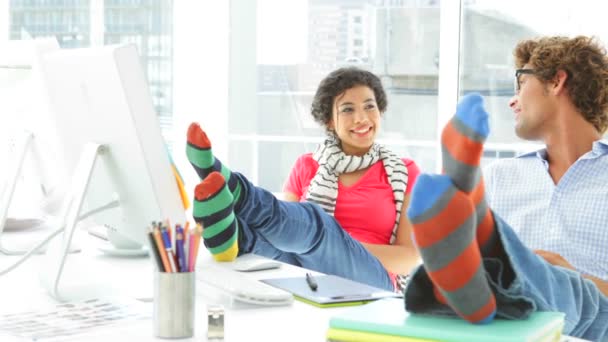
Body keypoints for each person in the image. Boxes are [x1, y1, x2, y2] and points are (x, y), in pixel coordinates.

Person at [402, 36, 607, 341]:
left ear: (556, 81)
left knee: (562, 284)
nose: (512, 101)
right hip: (508, 326)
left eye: (520, 84)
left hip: (591, 324)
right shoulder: (500, 175)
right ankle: (480, 265)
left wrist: (569, 275)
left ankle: (484, 243)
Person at [185, 67, 421, 291]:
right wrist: (322, 252)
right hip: (310, 276)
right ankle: (233, 238)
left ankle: (240, 192)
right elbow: (286, 231)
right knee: (276, 238)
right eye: (348, 109)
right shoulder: (307, 165)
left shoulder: (404, 172)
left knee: (318, 227)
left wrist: (339, 248)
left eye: (370, 107)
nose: (361, 118)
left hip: (373, 280)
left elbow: (410, 259)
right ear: (329, 120)